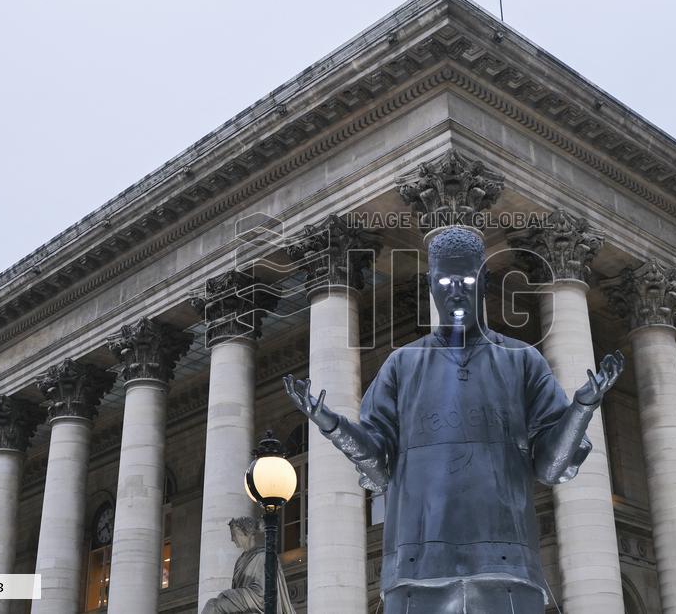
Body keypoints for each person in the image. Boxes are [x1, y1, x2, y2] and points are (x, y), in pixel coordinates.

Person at [282, 226, 623, 613]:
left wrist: (581, 408)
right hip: (418, 567)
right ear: (430, 284)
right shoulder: (402, 364)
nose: (456, 291)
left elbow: (550, 467)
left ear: (485, 282)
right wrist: (331, 424)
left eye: (467, 281)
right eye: (445, 281)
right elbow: (379, 465)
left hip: (505, 563)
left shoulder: (522, 360)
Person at [202, 516, 296, 614]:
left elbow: (263, 594)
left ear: (245, 533)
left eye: (234, 534)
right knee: (213, 604)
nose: (232, 539)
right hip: (244, 601)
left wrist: (230, 594)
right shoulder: (240, 560)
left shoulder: (263, 556)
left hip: (255, 602)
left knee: (213, 605)